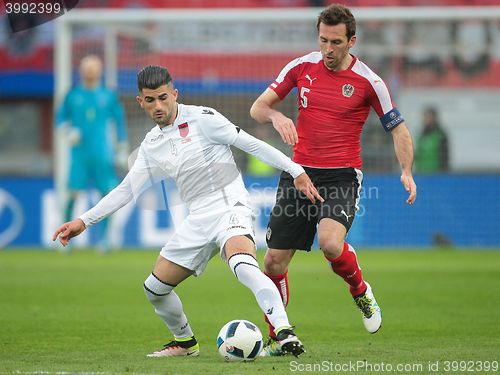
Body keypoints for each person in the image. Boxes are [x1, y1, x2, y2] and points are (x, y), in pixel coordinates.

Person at [52, 65, 324, 358]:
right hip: (197, 219)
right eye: (150, 100)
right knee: (154, 289)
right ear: (139, 102)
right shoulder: (151, 145)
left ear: (174, 94)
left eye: (163, 97)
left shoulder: (203, 119)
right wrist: (83, 221)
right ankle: (185, 343)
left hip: (230, 206)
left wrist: (296, 170)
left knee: (244, 266)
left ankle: (284, 332)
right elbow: (125, 190)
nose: (158, 106)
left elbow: (251, 143)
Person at [250, 4, 417, 356]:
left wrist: (406, 171)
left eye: (336, 42)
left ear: (351, 41)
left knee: (329, 244)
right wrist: (277, 116)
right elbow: (258, 107)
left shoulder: (370, 82)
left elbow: (398, 127)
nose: (327, 49)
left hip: (342, 177)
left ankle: (360, 291)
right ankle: (279, 334)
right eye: (323, 40)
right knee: (273, 262)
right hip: (299, 174)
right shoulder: (301, 67)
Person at [55, 55, 128, 252]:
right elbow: (60, 119)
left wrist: (121, 146)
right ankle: (65, 239)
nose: (90, 71)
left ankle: (104, 240)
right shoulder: (73, 95)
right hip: (79, 155)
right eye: (86, 67)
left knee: (106, 195)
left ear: (100, 70)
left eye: (93, 68)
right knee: (72, 193)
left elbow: (119, 122)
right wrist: (68, 130)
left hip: (102, 153)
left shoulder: (108, 95)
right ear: (80, 70)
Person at [415, 106, 449, 173]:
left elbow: (445, 156)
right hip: (421, 173)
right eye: (425, 117)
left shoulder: (441, 134)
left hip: (437, 173)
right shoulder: (420, 135)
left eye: (429, 117)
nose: (426, 119)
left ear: (434, 118)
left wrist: (444, 170)